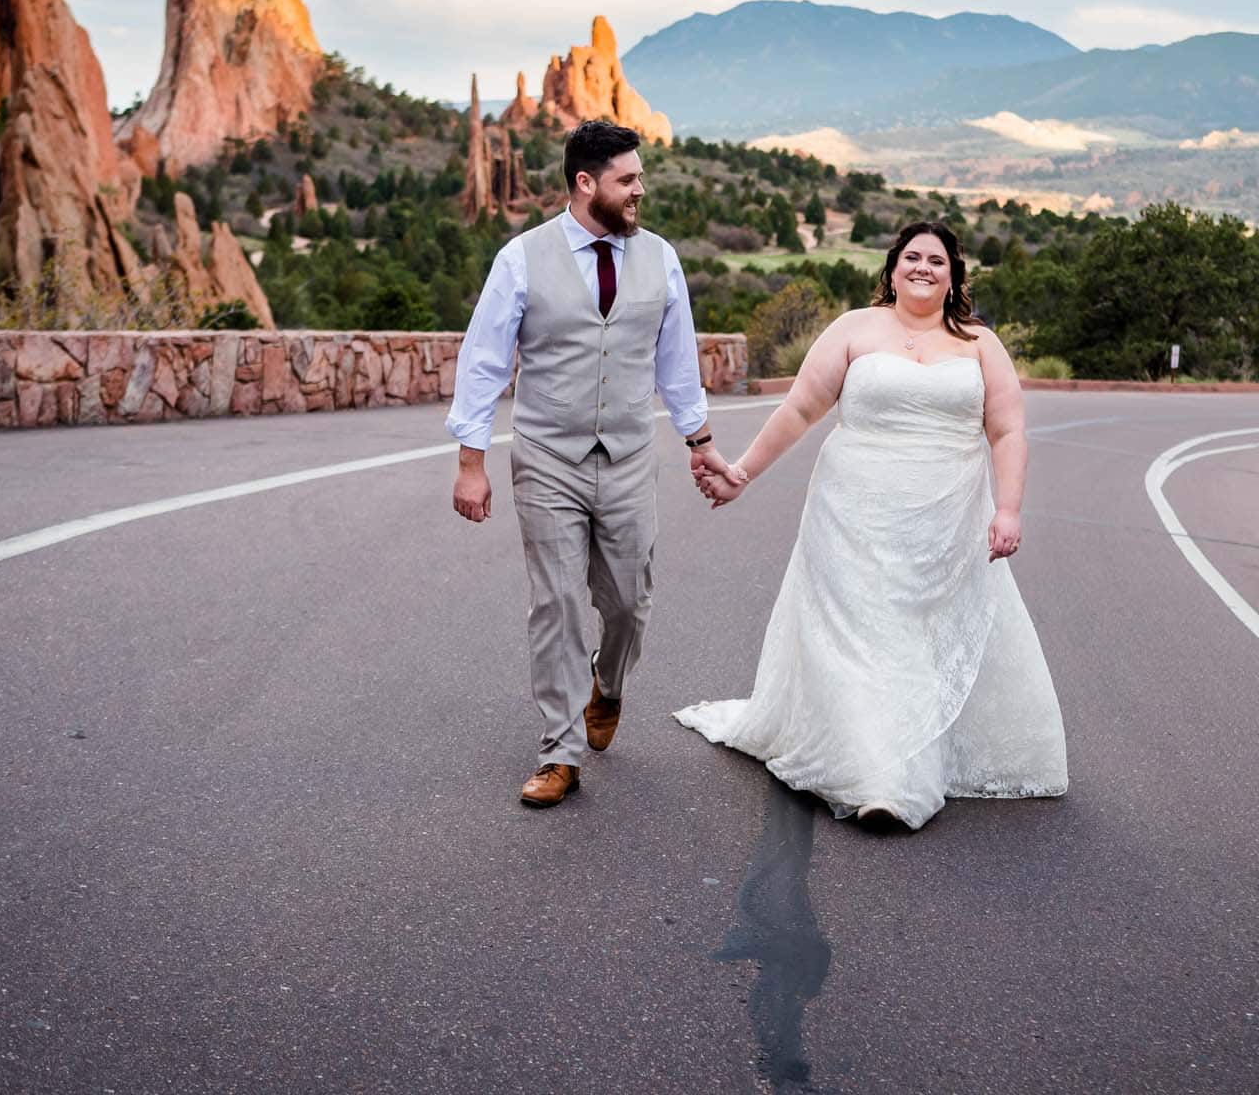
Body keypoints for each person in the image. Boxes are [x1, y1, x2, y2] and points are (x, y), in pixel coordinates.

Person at [677, 220, 1067, 830]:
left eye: (937, 261)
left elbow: (1008, 430)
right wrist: (742, 472)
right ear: (891, 268)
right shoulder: (855, 329)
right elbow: (802, 406)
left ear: (953, 277)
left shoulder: (979, 344)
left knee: (914, 638)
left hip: (945, 518)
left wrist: (1008, 508)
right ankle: (887, 782)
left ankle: (903, 756)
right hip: (852, 511)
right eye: (912, 257)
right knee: (866, 639)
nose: (923, 267)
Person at [448, 119, 740, 807]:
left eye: (639, 177)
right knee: (554, 603)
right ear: (586, 184)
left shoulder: (660, 258)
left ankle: (606, 688)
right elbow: (485, 359)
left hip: (631, 456)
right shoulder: (523, 257)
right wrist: (471, 460)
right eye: (628, 179)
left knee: (628, 602)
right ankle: (559, 752)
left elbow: (677, 363)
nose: (641, 189)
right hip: (548, 454)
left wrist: (701, 445)